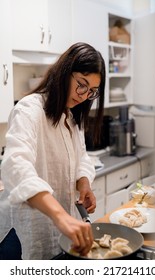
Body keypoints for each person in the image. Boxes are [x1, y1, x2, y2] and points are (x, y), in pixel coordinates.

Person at [1, 42, 106, 260]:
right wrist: (60, 215)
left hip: (58, 228)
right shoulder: (29, 109)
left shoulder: (71, 116)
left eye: (92, 91)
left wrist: (84, 183)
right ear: (65, 72)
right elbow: (15, 164)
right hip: (20, 233)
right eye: (82, 84)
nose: (84, 95)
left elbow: (82, 158)